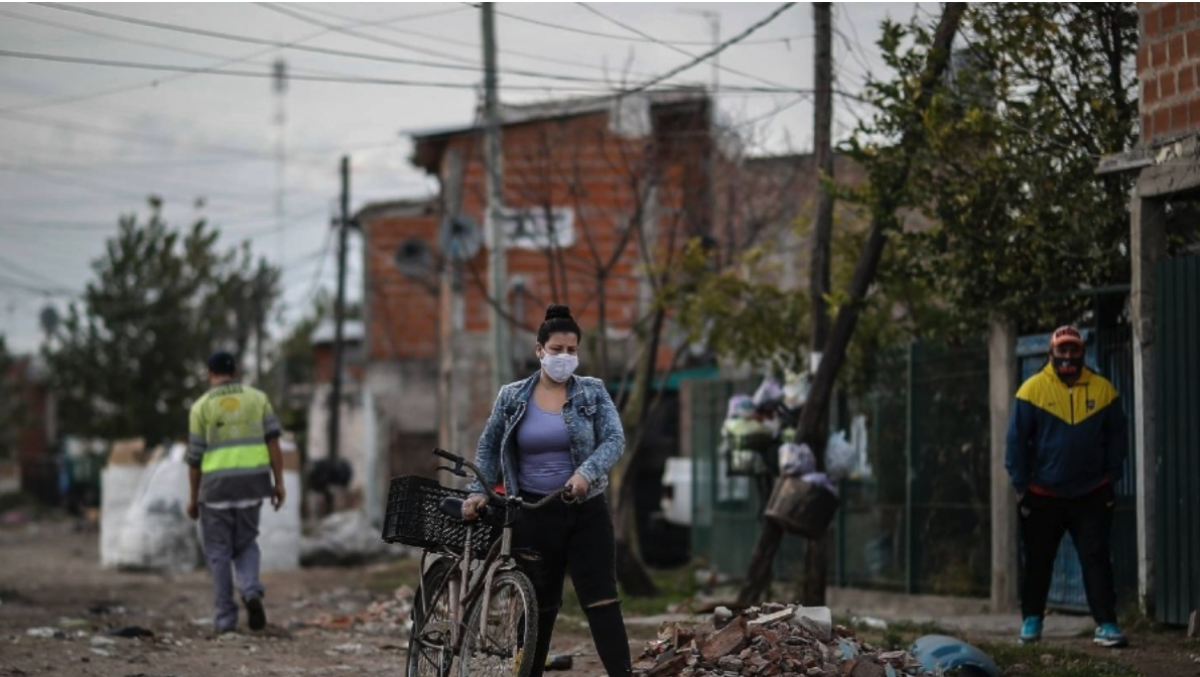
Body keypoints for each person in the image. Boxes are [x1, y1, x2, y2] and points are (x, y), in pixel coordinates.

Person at [462, 304, 631, 677]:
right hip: (534, 513)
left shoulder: (592, 393)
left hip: (586, 510)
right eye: (557, 350)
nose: (564, 357)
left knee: (602, 601)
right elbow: (489, 448)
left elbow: (615, 439)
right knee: (538, 606)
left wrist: (586, 474)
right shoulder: (511, 397)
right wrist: (478, 490)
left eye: (572, 350)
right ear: (540, 350)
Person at [1005, 325, 1128, 648]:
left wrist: (1111, 476)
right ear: (1051, 354)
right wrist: (1021, 485)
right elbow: (1015, 441)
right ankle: (1032, 622)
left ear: (1083, 353)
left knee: (1096, 557)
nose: (1068, 356)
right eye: (1063, 351)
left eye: (1074, 350)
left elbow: (1118, 435)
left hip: (1091, 494)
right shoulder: (1031, 390)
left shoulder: (1103, 390)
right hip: (1043, 494)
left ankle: (1107, 624)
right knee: (1038, 560)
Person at [185, 351, 286, 635]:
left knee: (218, 553)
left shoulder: (201, 407)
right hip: (252, 486)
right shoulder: (258, 399)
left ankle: (225, 620)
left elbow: (194, 459)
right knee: (246, 544)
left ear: (209, 373)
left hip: (215, 490)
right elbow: (274, 443)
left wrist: (193, 498)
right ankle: (251, 590)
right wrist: (278, 482)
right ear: (236, 371)